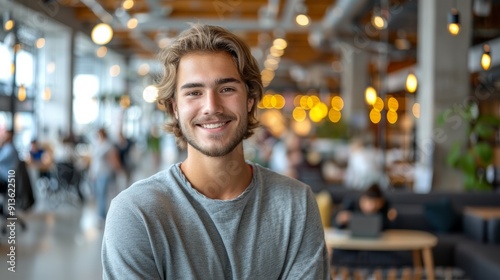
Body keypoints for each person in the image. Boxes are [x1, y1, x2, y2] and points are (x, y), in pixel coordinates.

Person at [102, 24, 330, 279]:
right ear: (174, 108)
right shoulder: (137, 213)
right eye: (194, 92)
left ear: (250, 100)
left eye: (227, 89)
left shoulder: (295, 204)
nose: (211, 106)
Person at [332, 184, 400, 268]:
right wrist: (340, 220)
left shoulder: (386, 207)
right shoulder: (351, 201)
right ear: (362, 199)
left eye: (376, 202)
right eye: (368, 202)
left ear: (381, 202)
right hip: (352, 244)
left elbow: (391, 229)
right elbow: (336, 224)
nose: (371, 206)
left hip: (377, 246)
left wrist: (392, 219)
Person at [89, 128, 121, 221]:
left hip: (105, 173)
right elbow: (94, 160)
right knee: (99, 194)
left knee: (103, 194)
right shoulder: (97, 144)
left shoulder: (108, 146)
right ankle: (100, 213)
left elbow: (114, 160)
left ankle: (102, 215)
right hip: (97, 173)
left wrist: (119, 170)